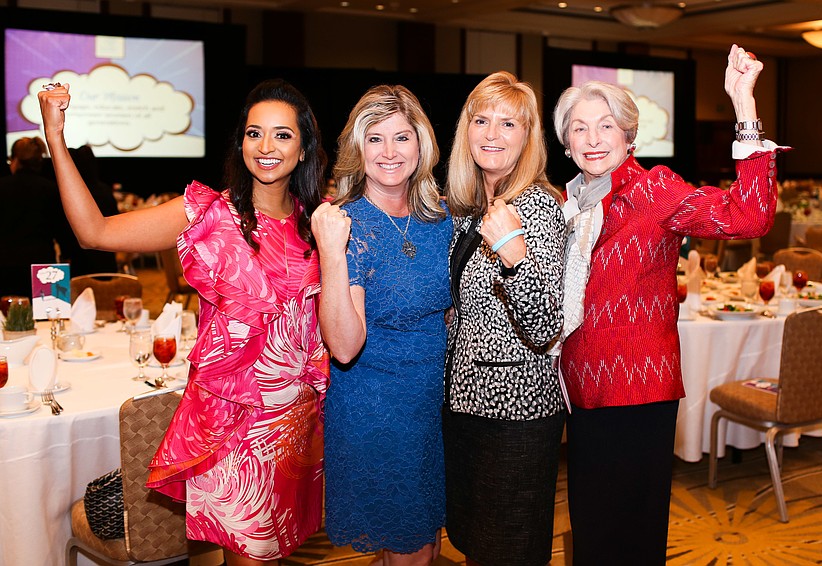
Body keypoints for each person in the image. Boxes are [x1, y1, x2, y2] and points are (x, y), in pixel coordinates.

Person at [39, 78, 329, 566]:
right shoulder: (210, 213)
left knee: (277, 552)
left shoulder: (318, 222)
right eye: (254, 133)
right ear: (240, 142)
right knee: (251, 558)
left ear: (303, 149)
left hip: (295, 425)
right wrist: (55, 138)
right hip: (232, 427)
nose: (266, 146)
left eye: (282, 135)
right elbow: (95, 232)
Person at [552, 45, 785, 565]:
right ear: (566, 143)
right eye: (580, 128)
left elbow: (749, 217)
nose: (593, 139)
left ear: (629, 137)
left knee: (630, 539)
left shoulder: (653, 190)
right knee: (592, 531)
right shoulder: (566, 204)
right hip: (582, 391)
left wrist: (743, 104)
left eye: (606, 126)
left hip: (638, 392)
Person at [311, 85, 452, 566]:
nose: (389, 152)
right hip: (377, 409)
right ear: (358, 147)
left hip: (432, 406)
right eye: (375, 138)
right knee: (411, 548)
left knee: (424, 543)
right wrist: (332, 252)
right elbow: (344, 346)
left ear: (421, 145)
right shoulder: (346, 224)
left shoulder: (441, 218)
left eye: (401, 137)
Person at [442, 71, 567, 566]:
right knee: (476, 545)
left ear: (527, 136)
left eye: (508, 123)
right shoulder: (472, 207)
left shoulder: (537, 206)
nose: (492, 134)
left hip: (515, 412)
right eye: (482, 120)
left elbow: (545, 326)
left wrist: (515, 255)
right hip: (465, 404)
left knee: (508, 551)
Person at [0, 136, 75, 297]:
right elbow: (62, 229)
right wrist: (68, 255)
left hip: (5, 265)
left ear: (15, 160)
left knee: (6, 311)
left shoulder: (2, 187)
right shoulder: (51, 189)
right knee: (46, 310)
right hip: (43, 266)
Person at [63, 144, 120, 274]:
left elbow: (65, 227)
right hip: (105, 256)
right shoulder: (105, 190)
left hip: (80, 258)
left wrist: (66, 254)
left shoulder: (72, 195)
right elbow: (116, 219)